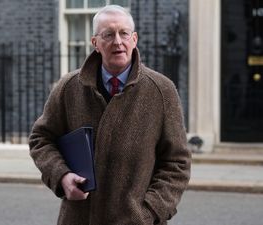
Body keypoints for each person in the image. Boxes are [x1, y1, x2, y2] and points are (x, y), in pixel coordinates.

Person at [29, 4, 191, 225]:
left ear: (134, 39)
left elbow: (177, 163)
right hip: (78, 219)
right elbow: (41, 139)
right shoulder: (68, 88)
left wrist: (147, 213)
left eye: (124, 33)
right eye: (108, 34)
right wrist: (62, 176)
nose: (117, 42)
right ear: (95, 43)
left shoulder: (162, 91)